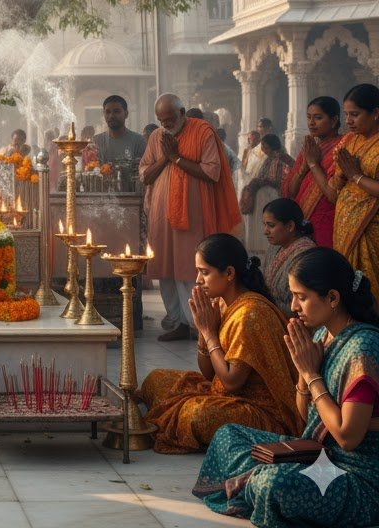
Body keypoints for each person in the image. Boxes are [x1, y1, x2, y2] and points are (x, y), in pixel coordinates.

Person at [195, 248, 379, 527]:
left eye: (301, 297)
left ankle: (255, 483)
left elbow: (346, 437)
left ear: (332, 298)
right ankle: (254, 482)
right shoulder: (322, 334)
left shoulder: (362, 349)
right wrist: (304, 379)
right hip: (318, 457)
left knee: (273, 483)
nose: (293, 306)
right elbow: (306, 418)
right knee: (227, 436)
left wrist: (310, 373)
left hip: (356, 477)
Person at [140, 233, 299, 454]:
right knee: (155, 380)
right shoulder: (223, 303)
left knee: (195, 414)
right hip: (226, 395)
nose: (197, 280)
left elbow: (232, 382)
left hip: (262, 411)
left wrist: (208, 332)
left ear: (229, 273)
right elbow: (207, 374)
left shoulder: (250, 314)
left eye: (204, 272)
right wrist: (205, 334)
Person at [140, 94, 243, 341]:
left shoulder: (203, 132)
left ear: (183, 112)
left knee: (190, 269)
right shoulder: (156, 138)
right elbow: (145, 174)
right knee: (165, 269)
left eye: (170, 119)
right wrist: (166, 157)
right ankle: (177, 321)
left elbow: (211, 172)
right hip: (161, 215)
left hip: (194, 213)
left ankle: (198, 323)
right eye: (161, 120)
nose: (166, 125)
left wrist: (176, 158)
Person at [281, 96, 344, 248]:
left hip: (328, 221)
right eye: (308, 117)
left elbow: (332, 194)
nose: (311, 123)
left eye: (318, 118)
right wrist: (304, 168)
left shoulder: (342, 147)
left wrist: (313, 163)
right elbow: (290, 192)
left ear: (334, 120)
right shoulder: (310, 148)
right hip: (303, 220)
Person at [332, 83, 379, 287]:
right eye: (346, 114)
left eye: (355, 114)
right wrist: (341, 176)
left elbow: (355, 177)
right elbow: (335, 184)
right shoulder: (349, 140)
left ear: (375, 113)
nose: (348, 121)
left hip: (371, 229)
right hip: (345, 225)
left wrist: (356, 176)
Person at [241, 133, 295, 260]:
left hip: (273, 197)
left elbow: (278, 179)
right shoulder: (268, 158)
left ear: (271, 146)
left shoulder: (281, 157)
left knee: (270, 224)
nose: (263, 149)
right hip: (263, 198)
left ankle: (270, 251)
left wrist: (260, 182)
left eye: (265, 146)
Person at [262, 197, 316, 317]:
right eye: (264, 225)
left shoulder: (306, 254)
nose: (265, 231)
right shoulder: (275, 247)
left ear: (290, 226)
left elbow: (304, 303)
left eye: (271, 225)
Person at [91, 95, 146, 164]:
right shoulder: (96, 142)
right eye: (108, 112)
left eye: (116, 111)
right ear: (104, 114)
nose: (111, 116)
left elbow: (144, 170)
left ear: (126, 114)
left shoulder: (138, 141)